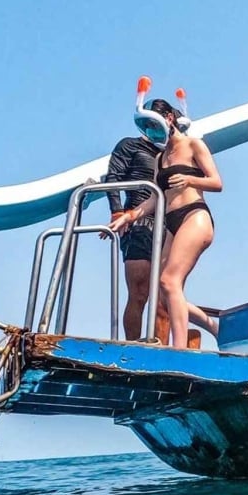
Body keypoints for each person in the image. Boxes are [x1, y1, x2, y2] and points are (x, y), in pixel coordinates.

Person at [108, 100, 221, 347]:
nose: (151, 131)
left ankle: (179, 349)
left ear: (169, 118)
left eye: (154, 124)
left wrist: (191, 180)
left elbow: (216, 182)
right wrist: (126, 216)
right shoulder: (160, 157)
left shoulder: (193, 144)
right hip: (170, 221)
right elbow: (154, 198)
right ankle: (215, 327)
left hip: (194, 216)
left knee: (170, 281)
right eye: (147, 127)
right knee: (162, 293)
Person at [104, 98, 170, 341]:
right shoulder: (130, 145)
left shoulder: (172, 152)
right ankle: (131, 346)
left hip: (167, 224)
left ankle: (162, 350)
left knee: (164, 295)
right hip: (138, 223)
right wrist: (117, 212)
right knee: (140, 292)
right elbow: (113, 177)